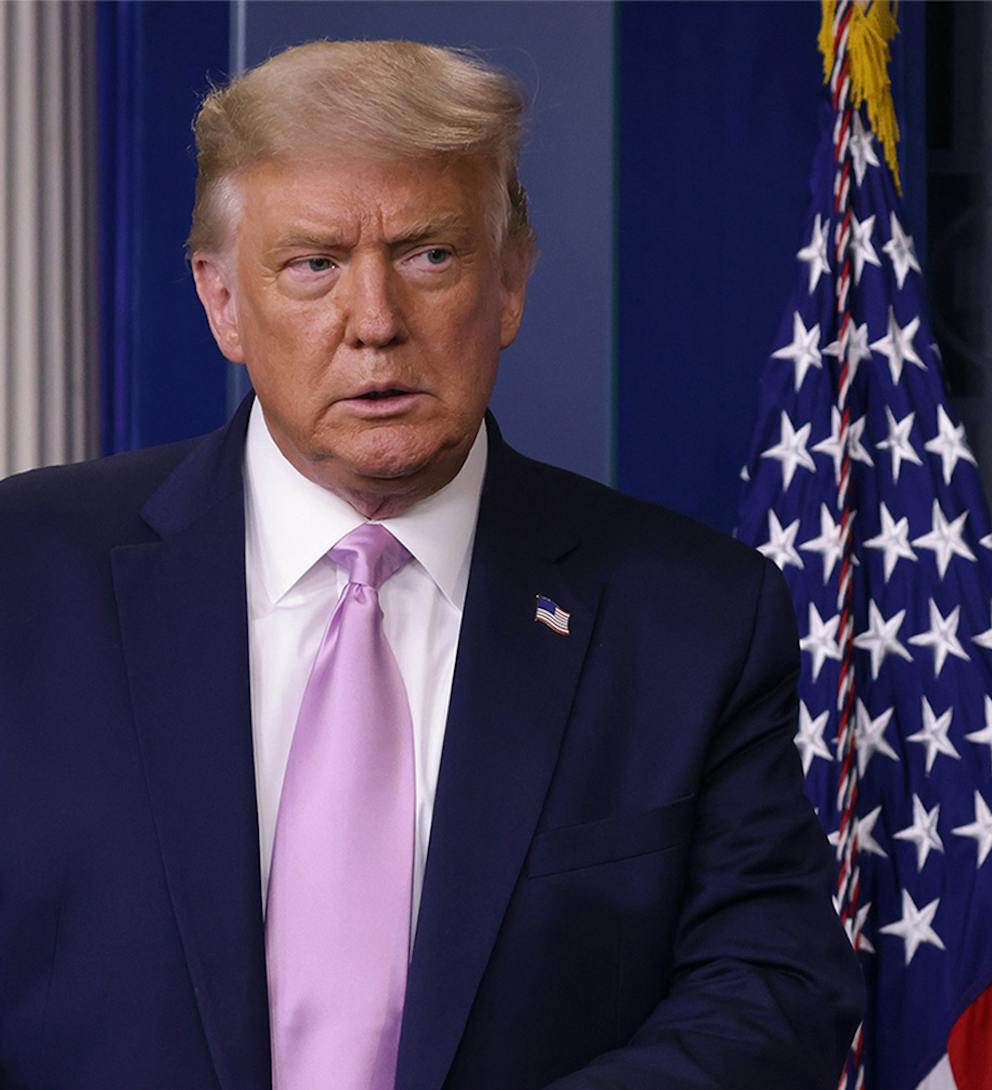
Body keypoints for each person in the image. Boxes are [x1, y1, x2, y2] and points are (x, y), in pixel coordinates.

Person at [0, 40, 861, 1089]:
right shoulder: (25, 578)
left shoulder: (692, 617)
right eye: (313, 264)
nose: (376, 323)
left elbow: (772, 990)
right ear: (222, 302)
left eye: (430, 255)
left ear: (511, 282)